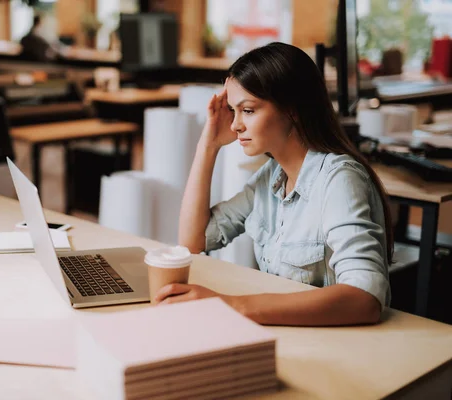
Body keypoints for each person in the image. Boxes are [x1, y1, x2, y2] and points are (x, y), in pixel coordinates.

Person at [155, 42, 392, 326]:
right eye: (233, 110)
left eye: (249, 110)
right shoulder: (272, 176)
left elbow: (365, 299)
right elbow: (193, 241)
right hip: (290, 335)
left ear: (292, 110)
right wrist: (209, 145)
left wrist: (233, 306)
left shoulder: (339, 179)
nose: (235, 125)